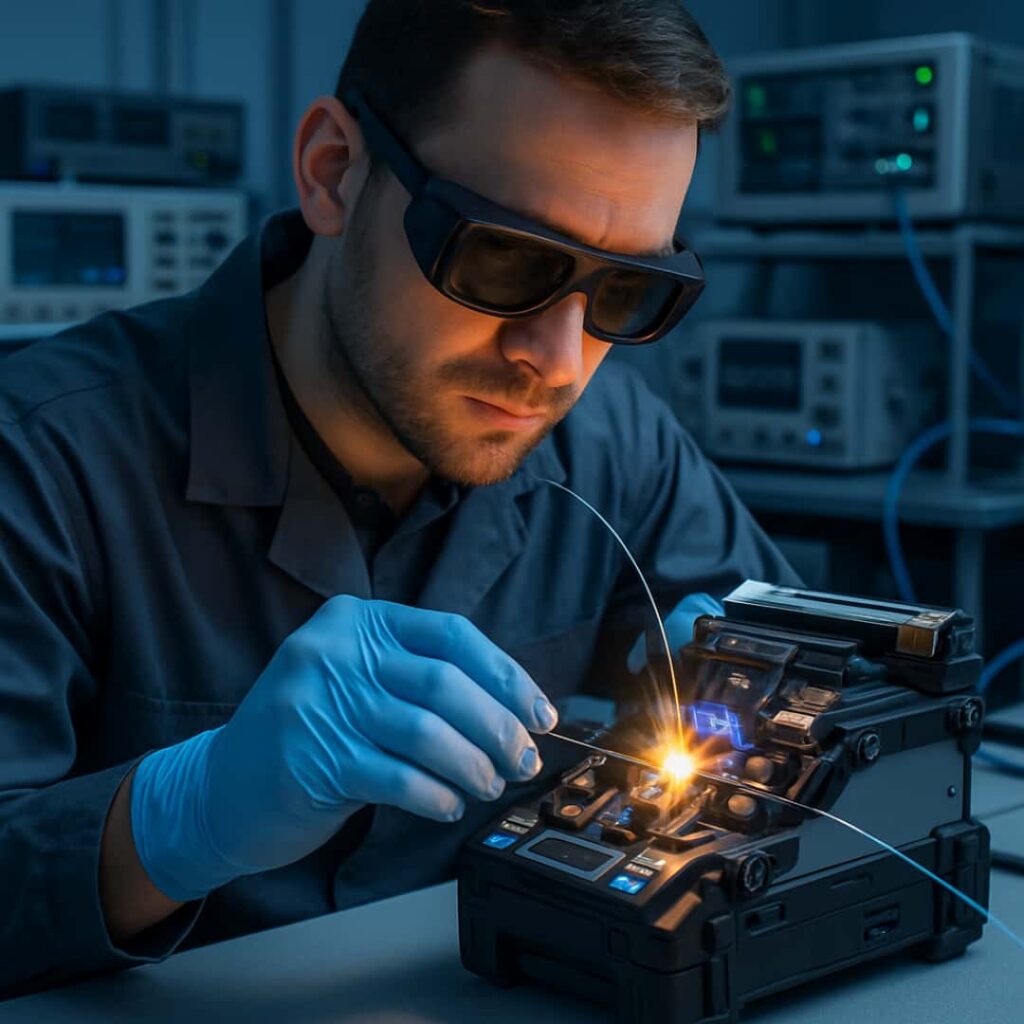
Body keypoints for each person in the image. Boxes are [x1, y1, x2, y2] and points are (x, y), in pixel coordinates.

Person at [0, 0, 798, 997]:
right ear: (334, 170)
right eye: (502, 256)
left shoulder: (616, 447)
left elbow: (793, 664)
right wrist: (177, 813)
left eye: (628, 290)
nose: (554, 363)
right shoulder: (42, 461)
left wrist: (755, 688)